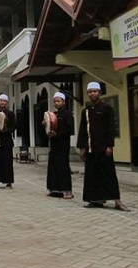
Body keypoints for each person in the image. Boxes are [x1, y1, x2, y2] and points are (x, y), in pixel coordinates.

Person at [77, 82, 130, 211]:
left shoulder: (107, 108)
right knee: (92, 175)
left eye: (95, 91)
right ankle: (95, 200)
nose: (92, 94)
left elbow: (111, 128)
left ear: (99, 93)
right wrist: (82, 148)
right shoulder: (86, 111)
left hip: (103, 148)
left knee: (109, 174)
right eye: (90, 92)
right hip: (90, 148)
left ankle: (117, 201)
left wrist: (110, 146)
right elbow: (82, 130)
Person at [45, 92, 74, 199]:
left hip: (63, 144)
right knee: (53, 166)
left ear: (64, 102)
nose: (56, 103)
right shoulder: (54, 114)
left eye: (58, 101)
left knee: (63, 167)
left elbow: (69, 129)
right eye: (55, 101)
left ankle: (67, 190)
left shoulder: (67, 114)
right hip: (54, 144)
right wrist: (45, 124)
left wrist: (57, 134)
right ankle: (55, 189)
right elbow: (48, 126)